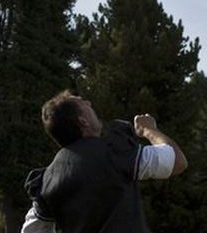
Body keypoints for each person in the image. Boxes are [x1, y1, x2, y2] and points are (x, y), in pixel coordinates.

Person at [22, 91, 188, 233]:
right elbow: (177, 161)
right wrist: (149, 130)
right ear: (83, 121)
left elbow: (31, 229)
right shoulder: (113, 152)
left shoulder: (46, 179)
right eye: (83, 103)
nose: (89, 102)